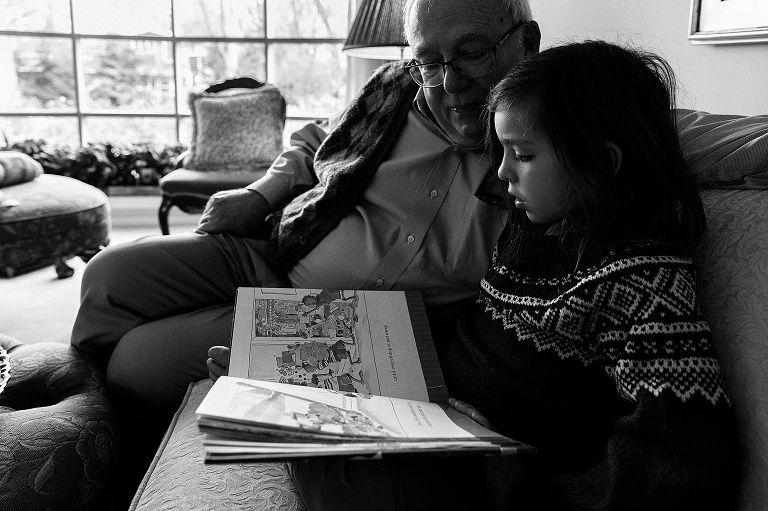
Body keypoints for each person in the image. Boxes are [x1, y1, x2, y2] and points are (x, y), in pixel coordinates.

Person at [210, 40, 741, 511]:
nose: (503, 172)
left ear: (603, 163)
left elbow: (682, 459)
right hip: (436, 416)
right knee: (295, 405)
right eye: (501, 151)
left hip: (484, 468)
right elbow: (482, 344)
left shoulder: (643, 278)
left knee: (356, 484)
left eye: (523, 154)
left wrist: (525, 493)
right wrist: (309, 363)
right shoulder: (530, 232)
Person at [69, 0, 541, 503]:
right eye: (428, 61)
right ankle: (66, 408)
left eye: (473, 53)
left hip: (352, 330)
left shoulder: (542, 149)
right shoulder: (392, 89)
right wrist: (259, 195)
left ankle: (101, 466)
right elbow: (316, 139)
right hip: (284, 248)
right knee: (109, 274)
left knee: (136, 364)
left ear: (526, 43)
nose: (449, 83)